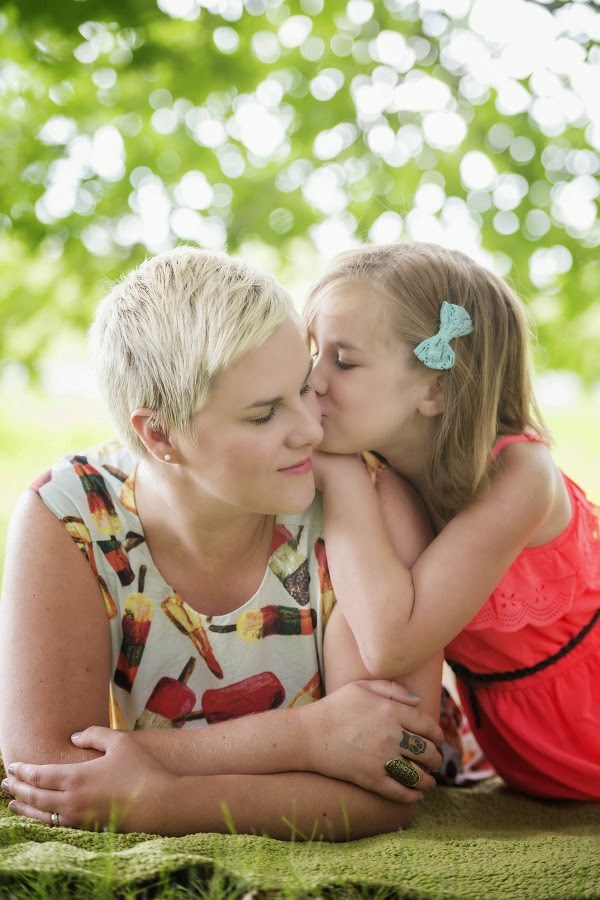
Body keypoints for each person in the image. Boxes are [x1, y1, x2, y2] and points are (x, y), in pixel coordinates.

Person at [0, 247, 443, 840]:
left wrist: (166, 801)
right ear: (159, 433)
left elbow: (392, 782)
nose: (311, 429)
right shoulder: (72, 516)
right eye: (263, 415)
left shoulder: (367, 503)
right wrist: (307, 737)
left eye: (304, 387)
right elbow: (46, 768)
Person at [305, 241, 600, 802]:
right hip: (517, 738)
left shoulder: (520, 474)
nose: (313, 380)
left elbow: (390, 645)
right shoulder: (382, 466)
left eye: (343, 361)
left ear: (436, 388)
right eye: (313, 352)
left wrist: (342, 480)